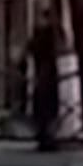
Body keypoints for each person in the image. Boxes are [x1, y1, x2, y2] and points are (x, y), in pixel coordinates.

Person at [28, 11, 60, 152]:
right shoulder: (51, 34)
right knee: (48, 109)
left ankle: (44, 138)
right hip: (48, 75)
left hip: (43, 75)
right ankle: (47, 138)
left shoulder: (43, 34)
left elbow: (31, 48)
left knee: (43, 108)